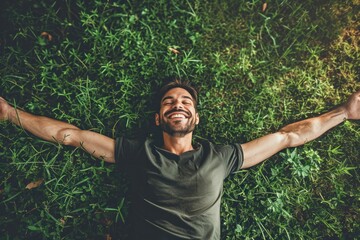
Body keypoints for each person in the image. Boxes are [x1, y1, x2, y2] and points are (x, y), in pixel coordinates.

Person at [0, 80, 359, 239]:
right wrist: (8, 112)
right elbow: (71, 136)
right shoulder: (137, 153)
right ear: (158, 118)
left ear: (196, 118)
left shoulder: (221, 157)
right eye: (169, 102)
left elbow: (287, 136)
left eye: (186, 102)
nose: (178, 105)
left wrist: (344, 111)